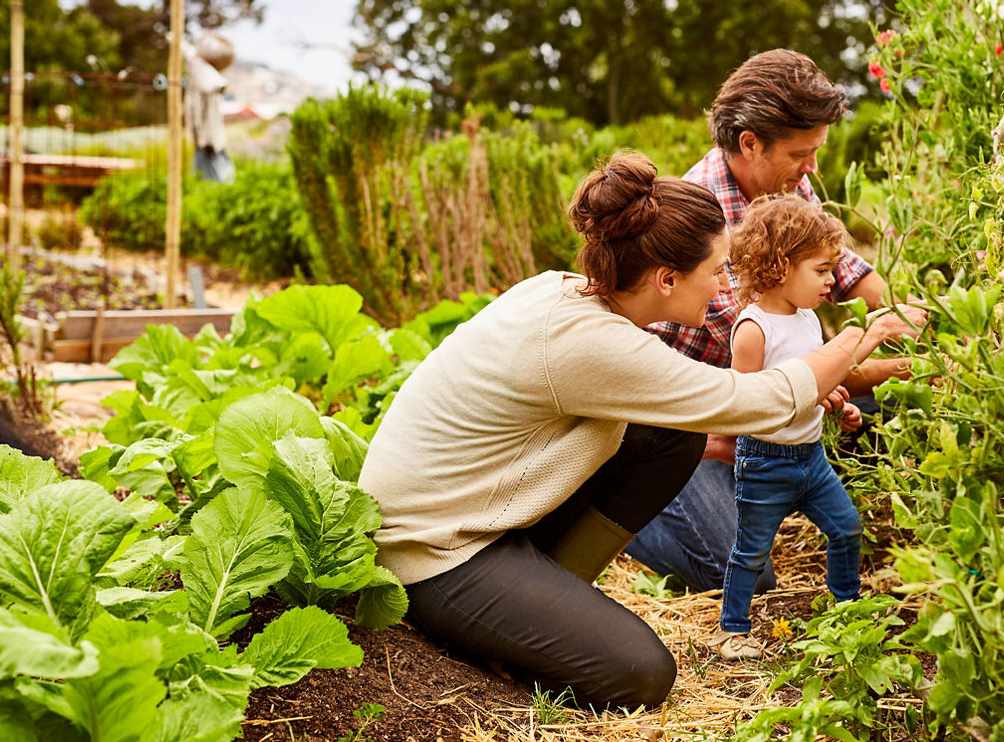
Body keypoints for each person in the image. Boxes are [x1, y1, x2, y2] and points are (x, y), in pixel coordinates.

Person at [358, 151, 926, 710]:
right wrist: (864, 336)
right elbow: (756, 401)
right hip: (432, 551)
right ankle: (507, 623)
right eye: (716, 271)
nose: (726, 288)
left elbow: (720, 408)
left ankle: (549, 591)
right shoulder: (592, 343)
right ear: (666, 278)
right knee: (641, 674)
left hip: (480, 507)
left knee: (670, 434)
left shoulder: (568, 292)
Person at [627, 49, 909, 598]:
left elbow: (853, 276)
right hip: (683, 431)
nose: (813, 170)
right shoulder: (703, 226)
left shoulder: (782, 187)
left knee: (889, 406)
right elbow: (794, 377)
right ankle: (625, 514)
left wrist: (920, 318)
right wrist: (899, 364)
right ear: (750, 142)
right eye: (802, 154)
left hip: (757, 407)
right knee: (749, 577)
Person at [713, 195, 868, 660]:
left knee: (846, 528)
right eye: (821, 270)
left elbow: (808, 382)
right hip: (765, 461)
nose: (832, 280)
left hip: (811, 457)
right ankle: (732, 629)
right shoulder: (754, 329)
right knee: (752, 552)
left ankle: (847, 605)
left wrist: (834, 399)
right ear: (780, 266)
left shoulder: (808, 319)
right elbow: (749, 404)